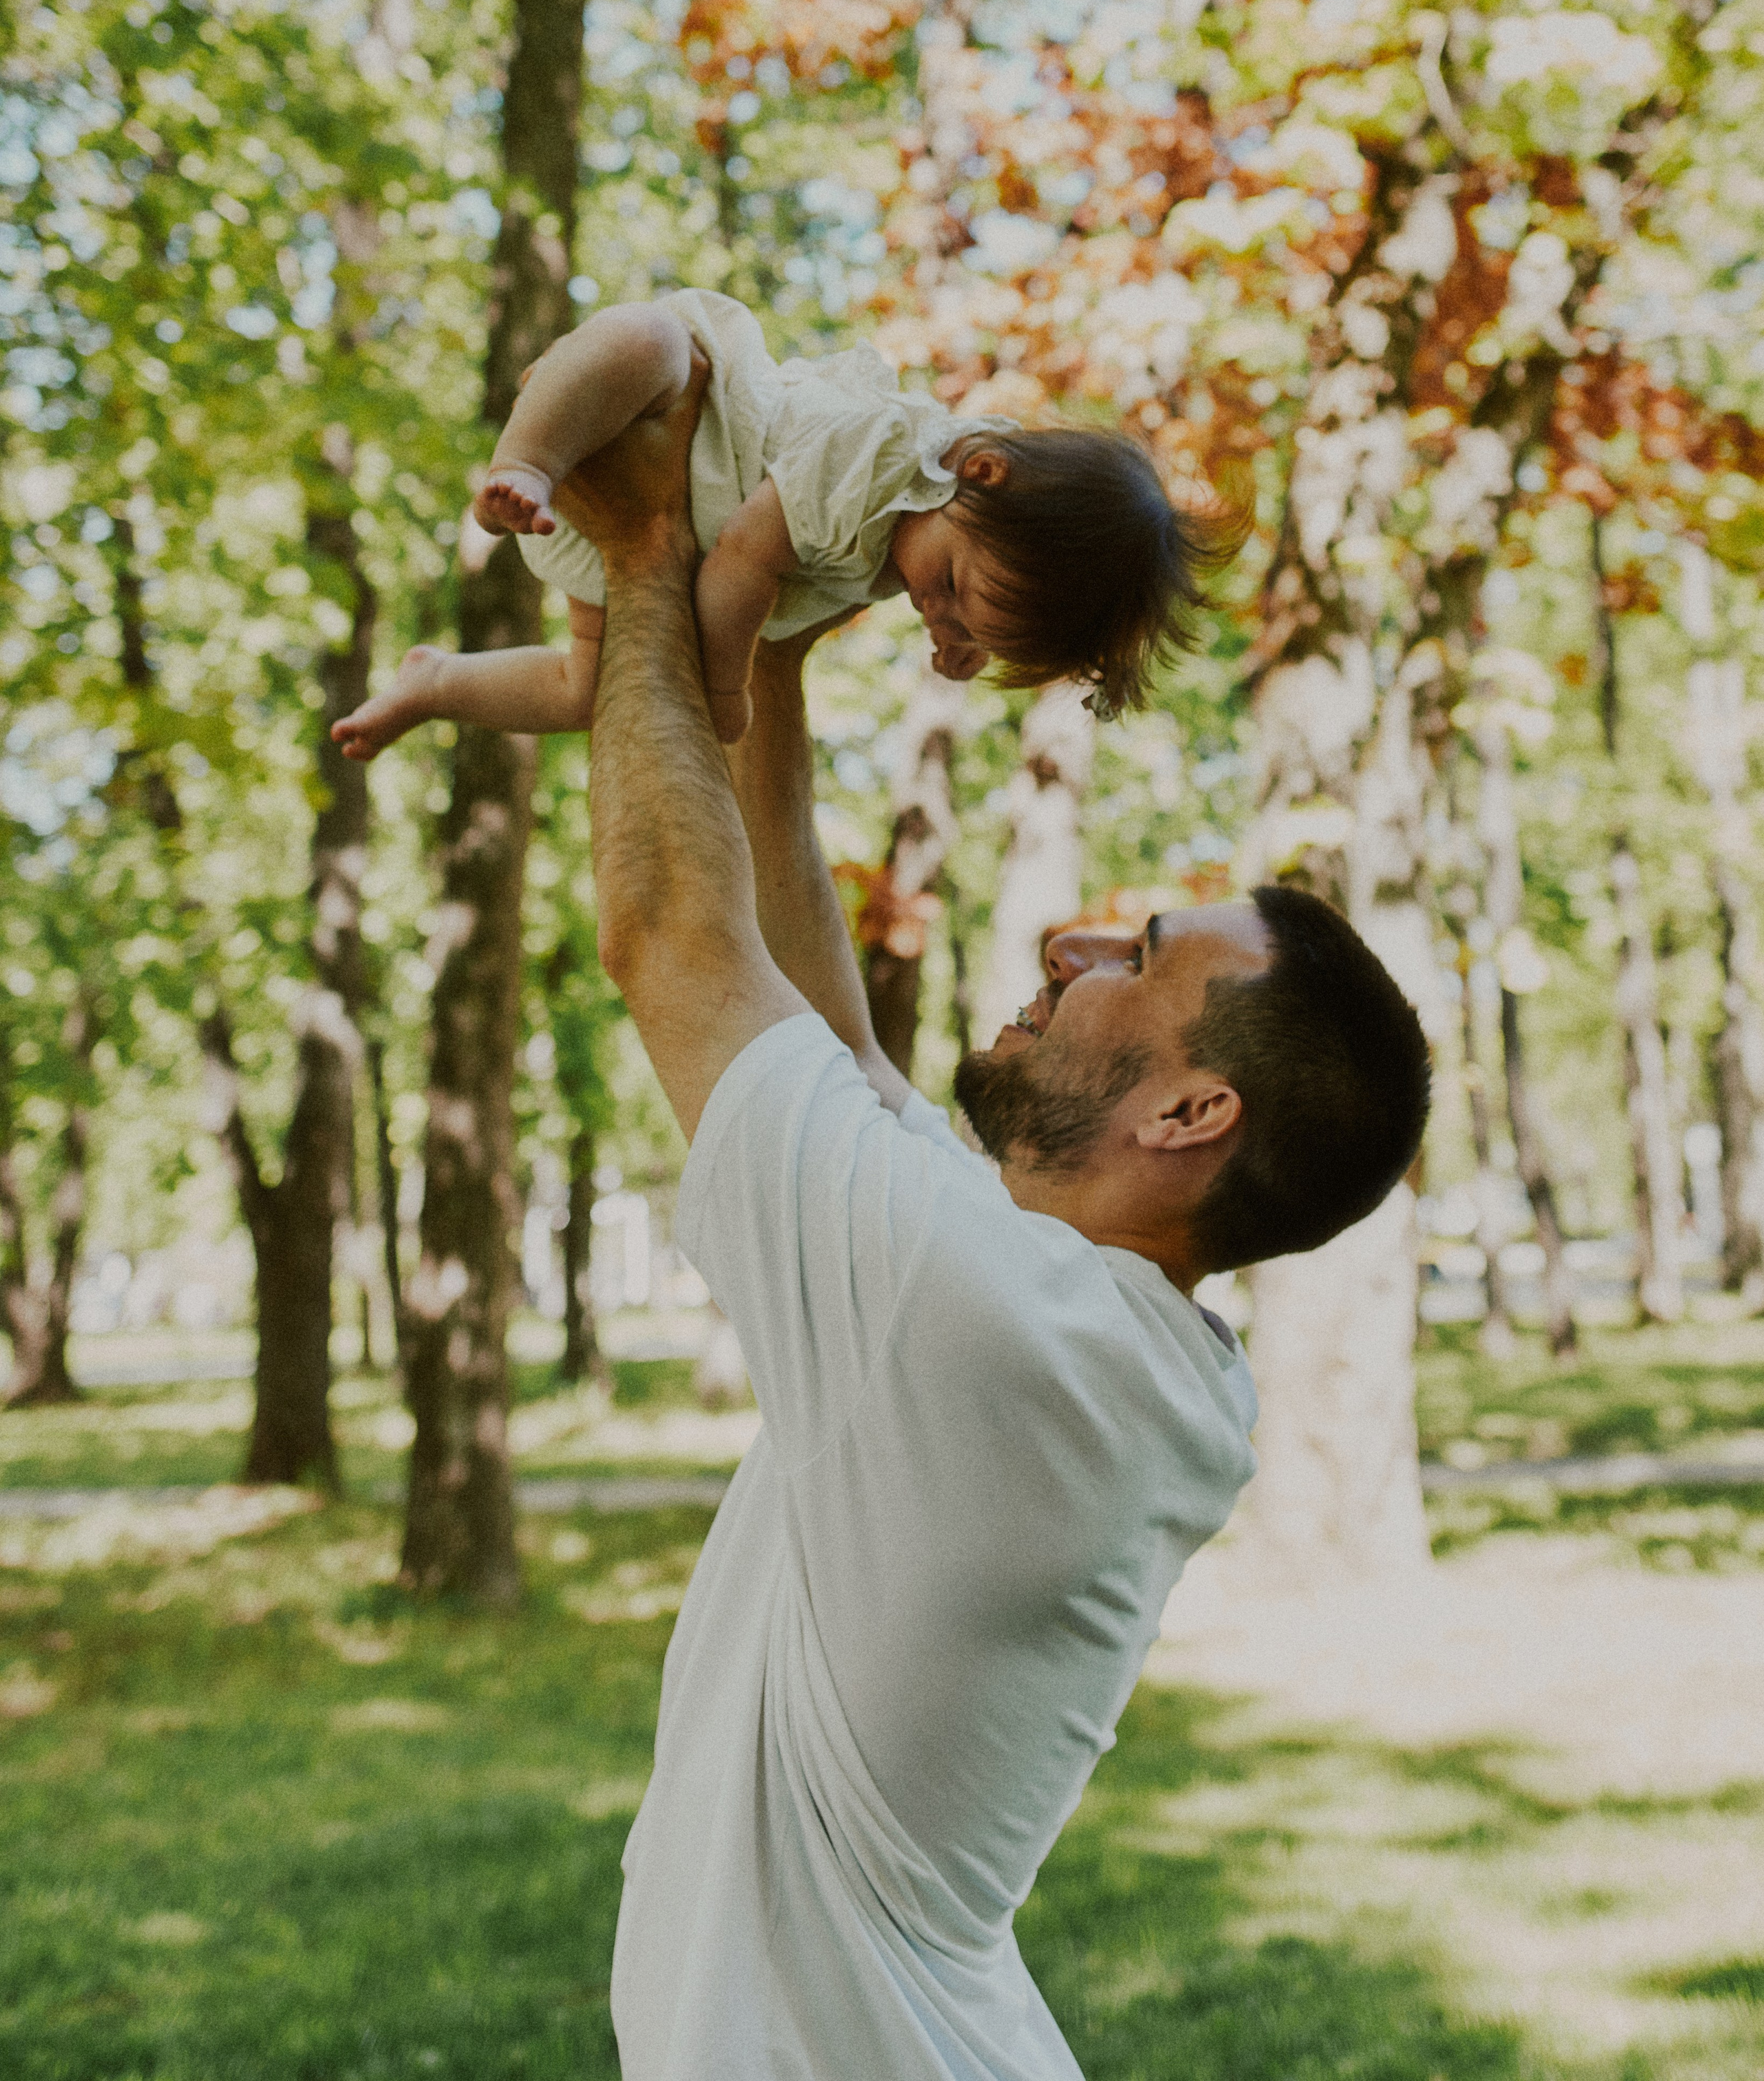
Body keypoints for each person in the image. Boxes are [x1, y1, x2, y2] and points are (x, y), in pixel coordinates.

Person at [575, 360, 1430, 2079]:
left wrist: (645, 560)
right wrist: (773, 664)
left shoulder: (989, 1322)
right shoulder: (1073, 1325)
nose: (1068, 948)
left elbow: (673, 931)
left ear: (1192, 1113)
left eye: (1133, 960)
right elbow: (824, 1030)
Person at [329, 289, 1245, 761]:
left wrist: (969, 634)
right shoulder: (890, 456)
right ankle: (524, 461)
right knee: (645, 337)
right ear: (979, 471)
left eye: (968, 637)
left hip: (634, 543)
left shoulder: (940, 533)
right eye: (954, 592)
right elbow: (740, 561)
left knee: (584, 692)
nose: (938, 614)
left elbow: (913, 584)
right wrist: (727, 691)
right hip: (679, 415)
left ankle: (439, 683)